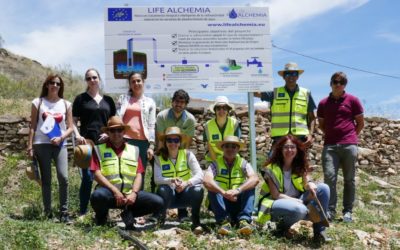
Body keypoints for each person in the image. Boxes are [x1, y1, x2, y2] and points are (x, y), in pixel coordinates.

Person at [89, 116, 163, 229]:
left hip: (129, 195)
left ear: (124, 132)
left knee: (158, 202)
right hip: (109, 194)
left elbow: (139, 174)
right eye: (112, 130)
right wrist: (115, 191)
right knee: (97, 196)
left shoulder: (134, 150)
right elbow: (96, 174)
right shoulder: (99, 149)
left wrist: (134, 193)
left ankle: (129, 214)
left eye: (119, 130)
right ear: (108, 132)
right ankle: (101, 217)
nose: (116, 133)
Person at [257, 135, 331, 242]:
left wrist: (310, 184)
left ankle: (319, 231)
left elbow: (306, 183)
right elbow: (275, 195)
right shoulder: (270, 169)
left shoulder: (299, 166)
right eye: (286, 147)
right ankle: (282, 229)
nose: (289, 150)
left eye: (292, 147)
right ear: (280, 149)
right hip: (274, 203)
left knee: (324, 188)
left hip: (298, 202)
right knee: (300, 209)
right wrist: (299, 201)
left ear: (297, 150)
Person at [317, 72, 364, 223]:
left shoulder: (353, 100)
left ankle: (348, 212)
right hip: (330, 146)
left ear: (345, 84)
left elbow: (360, 123)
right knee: (329, 178)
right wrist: (332, 135)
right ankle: (330, 210)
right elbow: (321, 125)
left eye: (342, 82)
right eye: (336, 82)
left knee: (349, 180)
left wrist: (350, 137)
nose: (338, 84)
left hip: (349, 145)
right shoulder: (323, 103)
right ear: (330, 83)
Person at [27, 74, 74, 223]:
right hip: (41, 144)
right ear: (47, 84)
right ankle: (48, 213)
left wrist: (61, 137)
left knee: (64, 177)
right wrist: (29, 146)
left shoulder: (66, 104)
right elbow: (33, 125)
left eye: (58, 84)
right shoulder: (38, 102)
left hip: (60, 144)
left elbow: (71, 127)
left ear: (61, 87)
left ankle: (64, 212)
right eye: (52, 83)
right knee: (46, 180)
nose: (55, 85)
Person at [72, 68, 116, 216]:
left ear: (99, 79)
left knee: (106, 176)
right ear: (86, 81)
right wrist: (77, 135)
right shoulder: (80, 99)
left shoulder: (108, 100)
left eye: (94, 77)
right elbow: (73, 121)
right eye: (89, 78)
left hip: (105, 144)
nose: (92, 80)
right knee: (87, 177)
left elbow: (113, 122)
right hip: (87, 144)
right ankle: (83, 211)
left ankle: (102, 210)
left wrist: (109, 135)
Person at [203, 136, 259, 236]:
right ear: (222, 148)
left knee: (250, 185)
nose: (230, 149)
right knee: (213, 185)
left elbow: (255, 179)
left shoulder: (243, 163)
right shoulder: (215, 164)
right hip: (221, 203)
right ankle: (223, 222)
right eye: (227, 146)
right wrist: (223, 192)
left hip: (238, 201)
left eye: (233, 147)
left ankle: (244, 221)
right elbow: (206, 181)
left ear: (238, 149)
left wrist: (238, 190)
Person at [155, 89, 196, 220]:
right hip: (164, 150)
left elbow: (187, 142)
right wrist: (162, 156)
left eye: (182, 102)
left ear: (186, 104)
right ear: (172, 102)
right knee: (158, 180)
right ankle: (158, 212)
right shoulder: (162, 116)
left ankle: (182, 212)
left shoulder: (190, 119)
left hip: (180, 151)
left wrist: (179, 156)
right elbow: (160, 138)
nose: (179, 104)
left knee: (182, 178)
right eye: (177, 101)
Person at [154, 127, 204, 233]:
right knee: (162, 189)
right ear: (165, 142)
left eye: (176, 140)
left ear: (180, 142)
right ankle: (160, 220)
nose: (173, 143)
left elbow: (200, 174)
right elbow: (157, 179)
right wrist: (171, 180)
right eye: (169, 140)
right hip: (169, 195)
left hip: (185, 192)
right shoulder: (158, 157)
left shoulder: (188, 155)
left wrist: (186, 183)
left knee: (198, 190)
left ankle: (196, 221)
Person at [254, 62, 316, 148]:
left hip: (300, 140)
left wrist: (311, 134)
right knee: (273, 162)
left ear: (298, 76)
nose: (291, 76)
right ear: (283, 77)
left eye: (294, 74)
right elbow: (255, 93)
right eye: (287, 74)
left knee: (300, 162)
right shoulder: (275, 93)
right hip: (279, 139)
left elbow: (312, 118)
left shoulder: (306, 93)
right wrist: (252, 75)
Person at [117, 71, 156, 190]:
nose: (136, 83)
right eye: (133, 81)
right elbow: (117, 119)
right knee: (125, 173)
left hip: (142, 142)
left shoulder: (150, 102)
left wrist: (151, 146)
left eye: (138, 80)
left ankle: (139, 205)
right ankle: (127, 205)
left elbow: (151, 125)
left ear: (143, 82)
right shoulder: (123, 99)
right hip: (126, 141)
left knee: (140, 174)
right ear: (129, 84)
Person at [204, 96, 241, 162]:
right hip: (213, 158)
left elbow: (237, 145)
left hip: (232, 156)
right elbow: (209, 146)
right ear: (215, 110)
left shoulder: (235, 124)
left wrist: (229, 161)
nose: (221, 110)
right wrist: (217, 163)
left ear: (228, 110)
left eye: (224, 108)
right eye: (218, 108)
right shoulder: (207, 125)